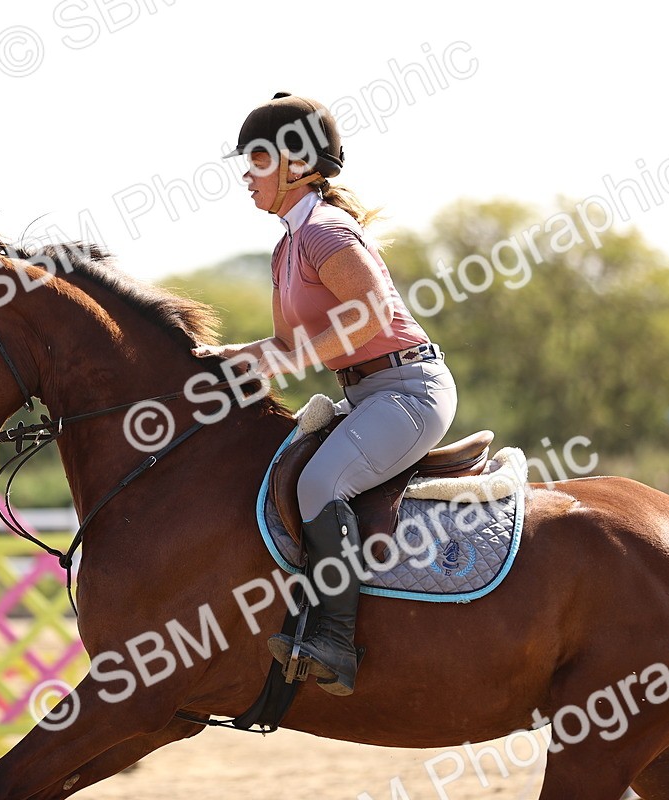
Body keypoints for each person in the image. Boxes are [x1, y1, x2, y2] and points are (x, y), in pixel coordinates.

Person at [193, 93, 458, 696]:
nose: (245, 173)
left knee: (319, 484)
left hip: (409, 390)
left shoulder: (326, 231)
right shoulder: (289, 245)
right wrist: (219, 361)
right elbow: (287, 347)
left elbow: (369, 319)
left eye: (257, 158)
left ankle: (334, 641)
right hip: (368, 395)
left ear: (299, 166)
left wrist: (284, 361)